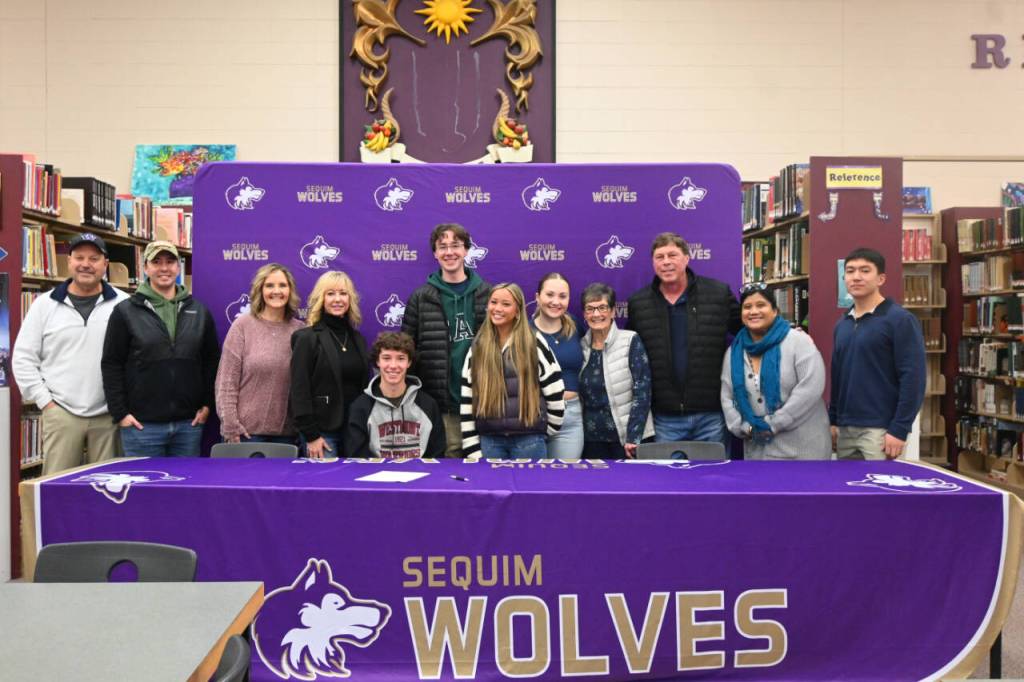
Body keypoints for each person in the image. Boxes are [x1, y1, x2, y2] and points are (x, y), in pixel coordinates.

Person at [13, 233, 129, 474]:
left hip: (109, 416)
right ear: (69, 261)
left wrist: (122, 405)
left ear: (105, 264)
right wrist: (46, 403)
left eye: (94, 258)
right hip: (61, 412)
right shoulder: (44, 305)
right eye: (79, 257)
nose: (86, 264)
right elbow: (23, 358)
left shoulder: (124, 304)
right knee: (56, 487)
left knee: (109, 488)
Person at [101, 240, 220, 457]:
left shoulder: (200, 312)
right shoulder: (126, 311)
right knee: (144, 490)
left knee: (185, 488)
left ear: (178, 267)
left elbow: (212, 361)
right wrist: (120, 413)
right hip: (142, 427)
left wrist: (207, 405)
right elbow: (111, 363)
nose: (164, 268)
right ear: (145, 267)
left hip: (188, 426)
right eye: (156, 262)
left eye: (170, 262)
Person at [627, 232, 741, 444]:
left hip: (711, 415)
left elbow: (749, 332)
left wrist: (786, 334)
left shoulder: (717, 294)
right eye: (660, 257)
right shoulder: (638, 303)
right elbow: (630, 354)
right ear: (653, 263)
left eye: (673, 255)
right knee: (667, 478)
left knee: (712, 477)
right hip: (664, 417)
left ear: (687, 258)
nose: (666, 262)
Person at [401, 223, 490, 457]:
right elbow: (404, 352)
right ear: (435, 253)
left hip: (485, 405)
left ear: (467, 250)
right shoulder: (421, 298)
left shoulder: (488, 295)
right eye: (442, 247)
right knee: (451, 469)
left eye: (455, 245)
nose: (449, 252)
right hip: (443, 406)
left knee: (486, 471)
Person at [830, 247, 926, 459]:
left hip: (882, 430)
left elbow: (913, 378)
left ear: (881, 278)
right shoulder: (842, 324)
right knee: (846, 489)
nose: (856, 277)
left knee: (879, 490)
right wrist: (834, 420)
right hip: (845, 428)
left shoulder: (899, 320)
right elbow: (837, 377)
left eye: (865, 271)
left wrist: (899, 429)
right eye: (850, 271)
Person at [720, 283, 831, 459]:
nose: (753, 311)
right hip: (757, 451)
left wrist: (773, 424)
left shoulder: (798, 342)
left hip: (802, 452)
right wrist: (743, 427)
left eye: (761, 305)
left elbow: (810, 389)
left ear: (775, 311)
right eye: (747, 307)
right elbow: (727, 396)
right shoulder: (733, 352)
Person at [460, 283, 565, 459]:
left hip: (529, 442)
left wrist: (545, 430)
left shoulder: (534, 343)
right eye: (493, 302)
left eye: (506, 304)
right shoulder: (478, 346)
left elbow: (555, 390)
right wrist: (471, 447)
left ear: (518, 310)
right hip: (490, 442)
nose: (497, 308)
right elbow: (467, 397)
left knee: (531, 487)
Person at [215, 264, 303, 445]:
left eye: (282, 285)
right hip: (245, 434)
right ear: (260, 290)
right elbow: (226, 382)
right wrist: (230, 425)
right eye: (269, 285)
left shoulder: (301, 331)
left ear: (290, 290)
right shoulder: (243, 326)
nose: (276, 291)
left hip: (287, 436)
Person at [290, 270, 369, 459]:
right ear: (321, 299)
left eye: (343, 293)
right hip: (322, 434)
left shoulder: (357, 339)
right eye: (330, 293)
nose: (337, 299)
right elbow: (299, 390)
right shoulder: (306, 338)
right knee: (324, 486)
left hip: (354, 430)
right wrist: (311, 435)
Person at [578, 283, 654, 459]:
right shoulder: (581, 346)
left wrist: (633, 437)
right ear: (584, 314)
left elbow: (642, 390)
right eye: (590, 309)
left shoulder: (630, 340)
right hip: (591, 442)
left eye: (602, 307)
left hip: (626, 441)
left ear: (613, 311)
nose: (596, 314)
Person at [344, 332, 446, 459]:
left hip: (421, 475)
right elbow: (357, 457)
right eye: (386, 358)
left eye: (401, 358)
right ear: (377, 361)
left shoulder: (428, 405)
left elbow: (437, 454)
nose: (393, 366)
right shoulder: (360, 407)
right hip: (375, 477)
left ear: (409, 362)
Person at [531, 273, 584, 458]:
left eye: (563, 296)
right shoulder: (525, 333)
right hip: (534, 416)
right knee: (532, 480)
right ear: (538, 297)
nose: (556, 301)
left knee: (563, 481)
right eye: (549, 295)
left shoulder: (577, 327)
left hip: (570, 419)